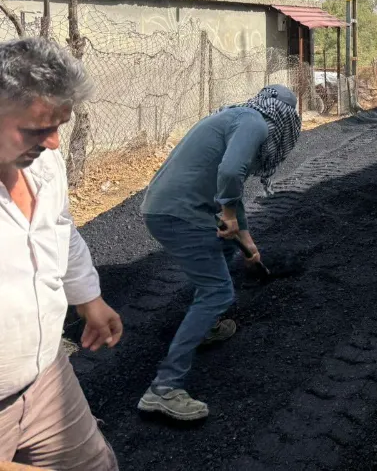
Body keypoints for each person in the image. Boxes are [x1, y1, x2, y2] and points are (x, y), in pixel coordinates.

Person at [138, 84, 301, 421]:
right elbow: (230, 173)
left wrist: (245, 237)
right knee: (217, 290)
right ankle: (164, 388)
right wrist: (227, 216)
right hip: (178, 212)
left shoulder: (235, 116)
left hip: (169, 206)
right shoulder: (255, 123)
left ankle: (206, 325)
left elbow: (231, 192)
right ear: (284, 118)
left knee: (224, 248)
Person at [0, 37, 121, 469]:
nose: (53, 143)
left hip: (47, 378)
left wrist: (89, 298)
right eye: (37, 130)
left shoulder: (42, 163)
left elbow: (60, 230)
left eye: (59, 127)